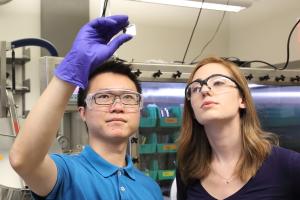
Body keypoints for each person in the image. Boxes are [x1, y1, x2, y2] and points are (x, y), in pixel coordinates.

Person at [9, 15, 163, 200]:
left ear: (139, 110)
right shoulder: (66, 173)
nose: (118, 106)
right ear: (83, 112)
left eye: (128, 97)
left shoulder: (150, 188)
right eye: (104, 97)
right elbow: (24, 160)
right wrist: (72, 68)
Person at [175, 57, 300, 200]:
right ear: (192, 110)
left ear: (243, 99)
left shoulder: (289, 165)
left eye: (218, 82)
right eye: (195, 88)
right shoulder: (187, 169)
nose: (204, 90)